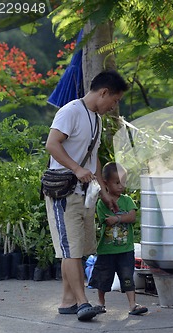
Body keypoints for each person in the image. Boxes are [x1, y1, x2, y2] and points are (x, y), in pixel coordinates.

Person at [45, 69, 129, 321]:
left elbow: (94, 159)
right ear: (103, 92)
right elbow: (52, 144)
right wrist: (76, 168)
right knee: (70, 249)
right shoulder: (70, 111)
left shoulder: (96, 118)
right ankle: (82, 303)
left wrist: (105, 194)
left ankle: (68, 301)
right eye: (114, 100)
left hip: (85, 194)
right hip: (64, 191)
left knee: (77, 249)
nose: (114, 106)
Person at [88, 162, 148, 316]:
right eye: (117, 182)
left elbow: (132, 216)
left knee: (128, 277)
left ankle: (132, 304)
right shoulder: (102, 203)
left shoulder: (127, 200)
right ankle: (100, 303)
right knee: (103, 277)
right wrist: (121, 217)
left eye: (123, 182)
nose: (121, 186)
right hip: (106, 249)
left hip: (125, 249)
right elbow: (106, 220)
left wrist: (117, 219)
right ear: (106, 183)